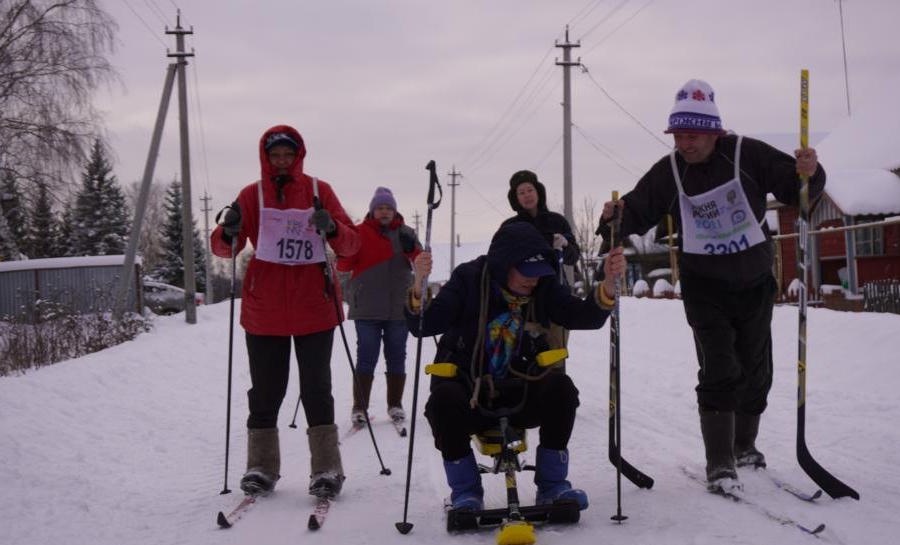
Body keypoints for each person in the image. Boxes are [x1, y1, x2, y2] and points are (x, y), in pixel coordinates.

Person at [596, 79, 825, 493]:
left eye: (692, 135)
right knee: (720, 366)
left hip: (754, 279)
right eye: (679, 135)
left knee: (756, 369)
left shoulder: (747, 154)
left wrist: (811, 171)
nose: (685, 144)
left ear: (714, 132)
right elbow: (637, 209)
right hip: (704, 285)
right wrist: (613, 218)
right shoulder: (670, 171)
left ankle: (745, 447)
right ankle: (719, 462)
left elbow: (798, 192)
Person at [407, 221, 626, 512]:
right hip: (471, 391)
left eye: (538, 274)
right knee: (443, 400)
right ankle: (465, 492)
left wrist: (609, 284)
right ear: (504, 264)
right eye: (527, 272)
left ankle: (552, 486)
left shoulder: (543, 286)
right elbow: (425, 326)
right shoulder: (468, 279)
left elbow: (583, 316)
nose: (533, 281)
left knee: (561, 388)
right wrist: (418, 285)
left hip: (522, 389)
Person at [211, 124, 360, 500]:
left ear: (298, 156)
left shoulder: (317, 190)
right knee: (265, 390)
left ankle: (327, 468)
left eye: (287, 155)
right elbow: (225, 250)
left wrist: (333, 228)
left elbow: (351, 244)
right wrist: (227, 232)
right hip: (266, 309)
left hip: (314, 305)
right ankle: (261, 467)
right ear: (266, 157)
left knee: (316, 389)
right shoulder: (252, 194)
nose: (281, 161)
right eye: (274, 155)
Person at [335, 186, 421, 429]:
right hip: (367, 308)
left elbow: (423, 265)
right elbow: (343, 265)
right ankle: (359, 408)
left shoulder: (407, 233)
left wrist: (414, 251)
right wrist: (340, 245)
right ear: (372, 211)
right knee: (366, 357)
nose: (384, 212)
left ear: (395, 210)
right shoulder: (358, 232)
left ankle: (395, 404)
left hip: (398, 308)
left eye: (388, 208)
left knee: (397, 356)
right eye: (380, 208)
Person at [502, 170, 580, 280]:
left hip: (555, 286)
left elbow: (573, 258)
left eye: (530, 190)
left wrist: (565, 244)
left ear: (538, 192)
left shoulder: (557, 221)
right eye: (522, 193)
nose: (527, 195)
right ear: (516, 198)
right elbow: (501, 259)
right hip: (523, 288)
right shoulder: (509, 227)